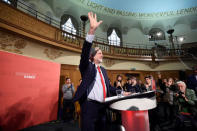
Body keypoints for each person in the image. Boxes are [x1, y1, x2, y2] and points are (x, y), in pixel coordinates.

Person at [73, 12, 129, 131]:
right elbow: (85, 52)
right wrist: (92, 30)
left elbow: (108, 87)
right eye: (99, 53)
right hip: (89, 106)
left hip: (103, 107)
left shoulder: (103, 70)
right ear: (92, 56)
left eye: (102, 53)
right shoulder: (87, 66)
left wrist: (121, 92)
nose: (102, 54)